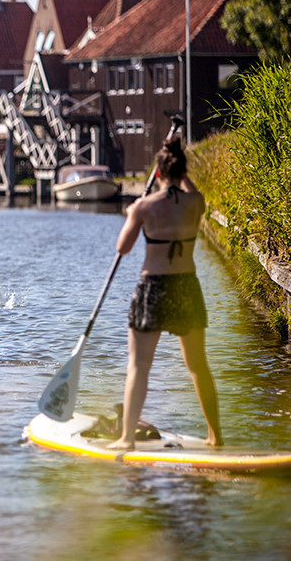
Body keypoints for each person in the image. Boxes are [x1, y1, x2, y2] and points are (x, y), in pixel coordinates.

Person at [107, 137, 222, 450]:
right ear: (183, 172)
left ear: (157, 173)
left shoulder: (144, 206)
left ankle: (127, 438)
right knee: (198, 365)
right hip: (186, 285)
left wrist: (133, 213)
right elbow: (191, 191)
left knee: (139, 366)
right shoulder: (196, 202)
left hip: (153, 287)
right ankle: (215, 437)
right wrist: (181, 176)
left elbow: (123, 247)